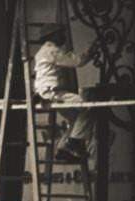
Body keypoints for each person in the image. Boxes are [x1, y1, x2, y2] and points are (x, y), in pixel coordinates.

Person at [34, 23, 95, 162]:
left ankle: (62, 149)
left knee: (76, 119)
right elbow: (77, 62)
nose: (64, 36)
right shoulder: (52, 50)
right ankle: (74, 142)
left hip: (46, 93)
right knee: (87, 106)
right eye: (60, 33)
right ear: (53, 36)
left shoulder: (42, 51)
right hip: (52, 94)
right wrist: (90, 53)